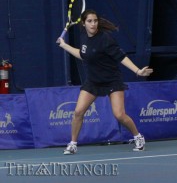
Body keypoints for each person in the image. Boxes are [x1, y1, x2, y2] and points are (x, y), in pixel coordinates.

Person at [56, 9, 153, 155]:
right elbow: (83, 55)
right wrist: (64, 45)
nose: (93, 24)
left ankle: (138, 137)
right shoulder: (83, 37)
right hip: (93, 81)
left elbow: (121, 57)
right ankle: (73, 144)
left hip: (111, 80)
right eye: (89, 21)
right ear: (83, 23)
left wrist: (138, 71)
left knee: (119, 115)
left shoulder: (106, 38)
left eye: (95, 21)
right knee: (78, 112)